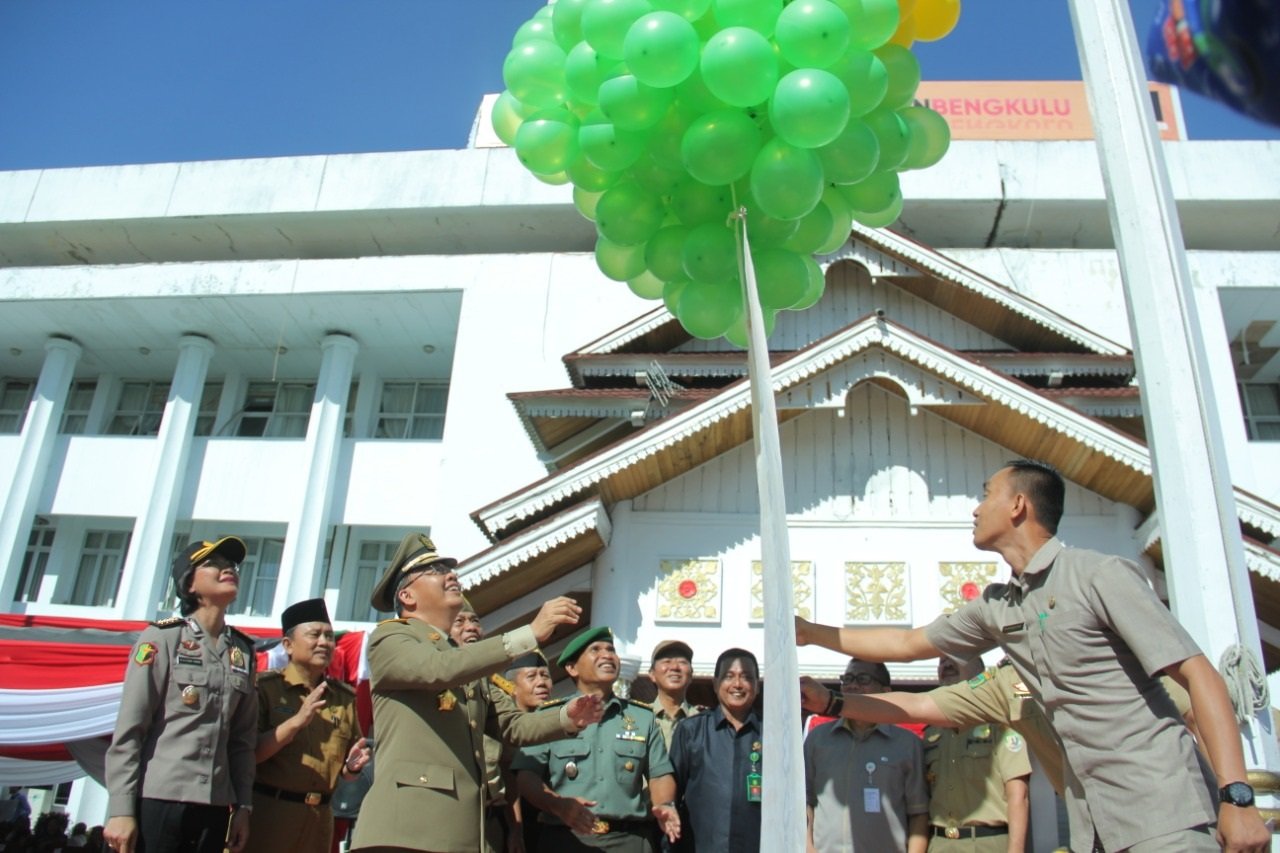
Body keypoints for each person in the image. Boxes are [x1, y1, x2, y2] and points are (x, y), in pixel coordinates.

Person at [796, 459, 1271, 853]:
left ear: (1018, 505)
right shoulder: (999, 607)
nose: (976, 509)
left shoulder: (1098, 575)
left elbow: (1199, 675)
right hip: (1095, 830)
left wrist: (1238, 796)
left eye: (986, 494)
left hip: (1165, 814)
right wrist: (810, 636)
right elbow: (905, 646)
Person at [349, 533, 603, 853]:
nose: (451, 575)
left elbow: (513, 726)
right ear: (407, 595)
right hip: (405, 831)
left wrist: (568, 715)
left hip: (463, 833)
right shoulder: (391, 639)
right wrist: (527, 635)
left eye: (450, 569)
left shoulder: (467, 665)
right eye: (436, 570)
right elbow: (436, 668)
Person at [104, 537, 258, 853]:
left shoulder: (242, 651)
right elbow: (130, 730)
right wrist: (120, 808)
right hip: (159, 799)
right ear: (189, 584)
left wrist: (243, 806)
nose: (227, 568)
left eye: (231, 564)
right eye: (212, 563)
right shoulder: (162, 638)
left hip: (214, 806)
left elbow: (242, 742)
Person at [513, 626, 682, 852]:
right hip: (567, 839)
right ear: (572, 668)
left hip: (629, 840)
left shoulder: (642, 718)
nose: (607, 655)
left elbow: (660, 774)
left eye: (611, 650)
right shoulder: (549, 717)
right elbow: (526, 775)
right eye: (595, 650)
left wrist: (664, 804)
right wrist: (558, 804)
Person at [247, 597, 371, 853]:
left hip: (320, 818)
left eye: (329, 637)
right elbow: (249, 754)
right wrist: (296, 722)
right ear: (288, 645)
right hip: (272, 813)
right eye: (315, 635)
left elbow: (346, 769)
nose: (324, 643)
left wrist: (352, 768)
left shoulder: (343, 697)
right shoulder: (266, 690)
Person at [804, 658, 928, 853]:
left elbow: (918, 812)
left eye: (863, 679)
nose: (853, 685)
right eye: (848, 679)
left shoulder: (907, 744)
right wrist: (808, 846)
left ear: (886, 692)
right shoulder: (818, 739)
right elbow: (806, 802)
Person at [922, 657, 1029, 852]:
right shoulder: (931, 734)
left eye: (955, 658)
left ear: (980, 671)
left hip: (986, 842)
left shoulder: (1000, 725)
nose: (946, 665)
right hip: (939, 843)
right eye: (942, 661)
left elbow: (1018, 796)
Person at [668, 648, 762, 853]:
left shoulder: (772, 734)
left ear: (757, 686)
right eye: (729, 676)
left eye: (746, 677)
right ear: (716, 683)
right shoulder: (691, 730)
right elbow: (671, 795)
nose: (737, 684)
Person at [449, 598, 520, 853]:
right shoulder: (433, 681)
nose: (470, 627)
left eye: (475, 621)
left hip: (491, 816)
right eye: (460, 622)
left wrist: (565, 717)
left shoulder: (491, 686)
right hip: (450, 816)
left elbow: (516, 730)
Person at [648, 640, 700, 750]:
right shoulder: (640, 718)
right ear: (652, 674)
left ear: (691, 675)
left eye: (682, 662)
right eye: (667, 661)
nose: (675, 667)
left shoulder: (702, 721)